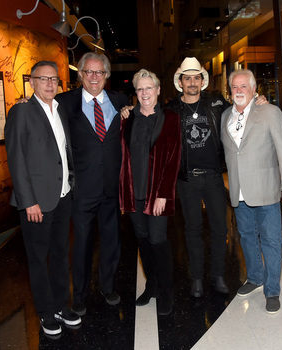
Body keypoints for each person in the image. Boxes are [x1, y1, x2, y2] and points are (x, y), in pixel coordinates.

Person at [4, 61, 81, 336]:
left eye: (54, 79)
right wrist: (28, 202)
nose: (50, 83)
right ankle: (46, 312)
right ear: (32, 82)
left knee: (61, 254)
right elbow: (16, 160)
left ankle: (61, 305)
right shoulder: (21, 112)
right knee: (38, 259)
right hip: (36, 203)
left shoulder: (59, 111)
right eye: (43, 78)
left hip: (62, 198)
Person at [55, 52, 129, 316]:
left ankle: (108, 287)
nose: (95, 77)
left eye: (100, 72)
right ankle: (81, 295)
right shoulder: (63, 103)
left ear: (107, 75)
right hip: (82, 189)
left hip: (111, 187)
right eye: (89, 72)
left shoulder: (121, 101)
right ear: (80, 75)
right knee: (83, 243)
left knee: (112, 241)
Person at [220, 69, 282, 314]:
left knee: (272, 241)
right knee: (247, 237)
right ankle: (255, 277)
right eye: (234, 87)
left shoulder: (270, 112)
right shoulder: (224, 117)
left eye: (244, 86)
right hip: (239, 192)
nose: (239, 91)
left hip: (266, 191)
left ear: (254, 90)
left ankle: (272, 290)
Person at [164, 57, 231, 298]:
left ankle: (219, 275)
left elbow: (241, 112)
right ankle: (197, 278)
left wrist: (259, 101)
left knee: (220, 228)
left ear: (202, 81)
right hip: (187, 179)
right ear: (180, 82)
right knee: (192, 230)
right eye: (187, 78)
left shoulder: (216, 103)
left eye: (196, 78)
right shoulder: (171, 109)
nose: (192, 82)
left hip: (213, 177)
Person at [119, 69, 181, 315]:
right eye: (140, 89)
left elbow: (174, 158)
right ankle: (152, 285)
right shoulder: (127, 118)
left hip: (158, 192)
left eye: (149, 88)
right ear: (136, 93)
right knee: (143, 240)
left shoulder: (171, 118)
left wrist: (163, 194)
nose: (145, 93)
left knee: (158, 240)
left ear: (157, 90)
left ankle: (167, 290)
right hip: (134, 192)